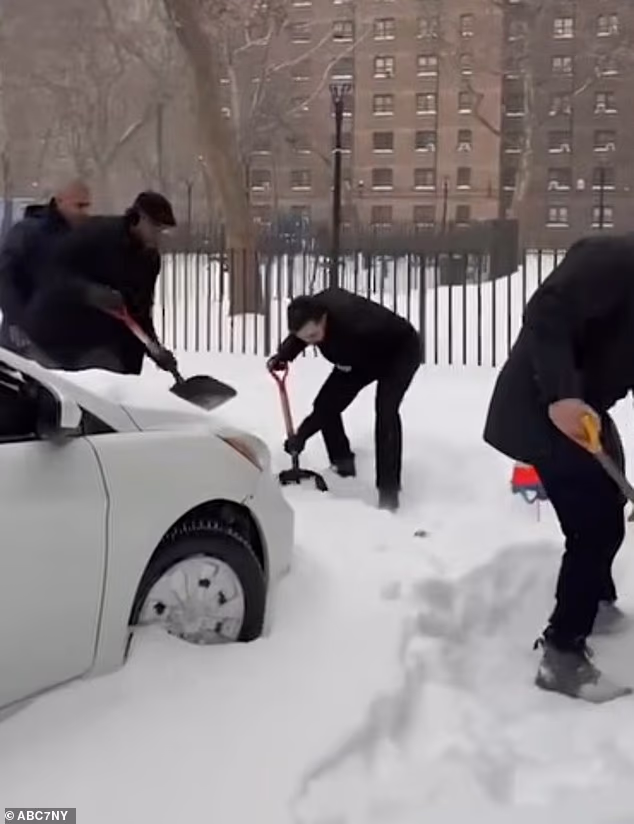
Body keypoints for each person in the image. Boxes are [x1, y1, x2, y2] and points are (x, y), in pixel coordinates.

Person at [483, 234, 634, 703]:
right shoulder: (614, 259)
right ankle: (561, 655)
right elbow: (548, 311)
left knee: (605, 511)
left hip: (584, 412)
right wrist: (561, 393)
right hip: (541, 407)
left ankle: (596, 601)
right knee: (595, 527)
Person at [268, 288, 421, 511]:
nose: (310, 342)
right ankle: (342, 463)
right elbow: (302, 336)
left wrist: (302, 435)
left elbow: (335, 402)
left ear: (324, 320)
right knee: (324, 404)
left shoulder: (354, 328)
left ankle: (389, 492)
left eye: (313, 337)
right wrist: (285, 355)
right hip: (359, 355)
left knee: (385, 412)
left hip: (399, 350)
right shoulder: (313, 312)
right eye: (304, 339)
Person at [24, 191, 177, 375]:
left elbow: (139, 312)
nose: (159, 236)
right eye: (155, 227)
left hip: (105, 349)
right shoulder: (97, 233)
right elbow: (52, 273)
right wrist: (89, 292)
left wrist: (154, 349)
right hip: (62, 335)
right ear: (137, 218)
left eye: (163, 231)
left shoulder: (149, 260)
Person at [0, 179, 91, 354]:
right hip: (21, 341)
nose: (85, 212)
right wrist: (16, 320)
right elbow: (5, 277)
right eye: (79, 206)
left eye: (87, 206)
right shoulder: (27, 232)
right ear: (59, 202)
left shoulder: (82, 238)